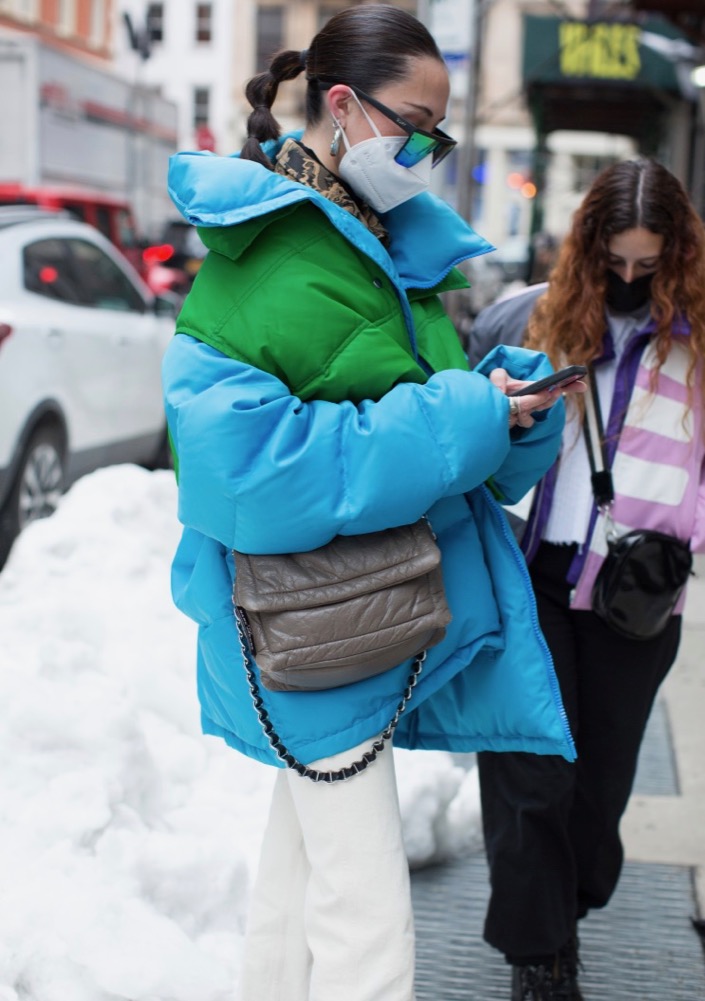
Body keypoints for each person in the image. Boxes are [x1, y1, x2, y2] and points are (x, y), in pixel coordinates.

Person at [161, 7, 582, 1000]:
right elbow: (249, 473)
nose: (430, 151)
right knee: (367, 923)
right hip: (314, 626)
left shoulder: (373, 250)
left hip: (342, 622)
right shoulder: (273, 254)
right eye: (419, 126)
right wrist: (460, 412)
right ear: (342, 106)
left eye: (440, 133)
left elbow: (437, 442)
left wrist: (503, 411)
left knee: (300, 883)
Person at [472, 158, 705, 1001]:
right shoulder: (538, 319)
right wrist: (501, 409)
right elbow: (471, 426)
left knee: (597, 787)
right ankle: (538, 957)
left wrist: (682, 536)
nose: (631, 279)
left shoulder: (698, 339)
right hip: (533, 575)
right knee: (529, 769)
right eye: (616, 262)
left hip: (634, 597)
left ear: (677, 251)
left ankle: (561, 914)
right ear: (589, 247)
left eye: (649, 264)